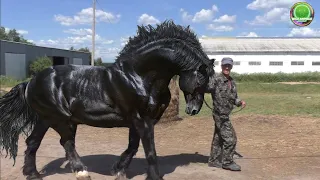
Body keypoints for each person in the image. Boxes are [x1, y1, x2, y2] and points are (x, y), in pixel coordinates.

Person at [205, 57, 246, 171]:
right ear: (221, 66)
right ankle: (227, 162)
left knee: (218, 138)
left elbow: (234, 97)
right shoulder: (216, 79)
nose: (227, 67)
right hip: (219, 115)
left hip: (225, 114)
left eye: (229, 66)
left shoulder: (232, 82)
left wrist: (240, 102)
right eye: (225, 65)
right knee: (230, 139)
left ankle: (213, 160)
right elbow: (206, 87)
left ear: (231, 67)